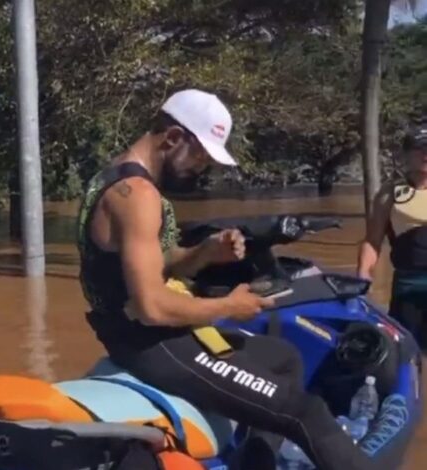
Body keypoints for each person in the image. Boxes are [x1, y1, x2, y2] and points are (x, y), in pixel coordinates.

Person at [76, 89, 376, 469]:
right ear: (172, 138)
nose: (202, 168)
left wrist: (204, 252)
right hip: (151, 344)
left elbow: (155, 263)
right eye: (200, 155)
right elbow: (151, 306)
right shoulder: (137, 196)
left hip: (144, 334)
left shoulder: (114, 176)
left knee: (284, 358)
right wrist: (229, 307)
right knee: (306, 412)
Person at [358, 118, 427, 351]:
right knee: (406, 350)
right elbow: (372, 241)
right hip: (408, 286)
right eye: (420, 148)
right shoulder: (391, 193)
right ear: (407, 154)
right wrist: (362, 278)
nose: (425, 154)